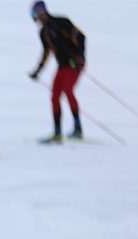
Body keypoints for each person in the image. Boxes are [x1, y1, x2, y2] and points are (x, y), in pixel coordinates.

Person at [29, 1, 86, 143]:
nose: (35, 17)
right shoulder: (43, 33)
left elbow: (80, 36)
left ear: (42, 11)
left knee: (68, 91)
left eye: (35, 13)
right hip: (62, 65)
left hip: (75, 64)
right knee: (54, 96)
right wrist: (38, 71)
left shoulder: (61, 22)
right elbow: (46, 53)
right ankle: (57, 132)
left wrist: (78, 57)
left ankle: (78, 128)